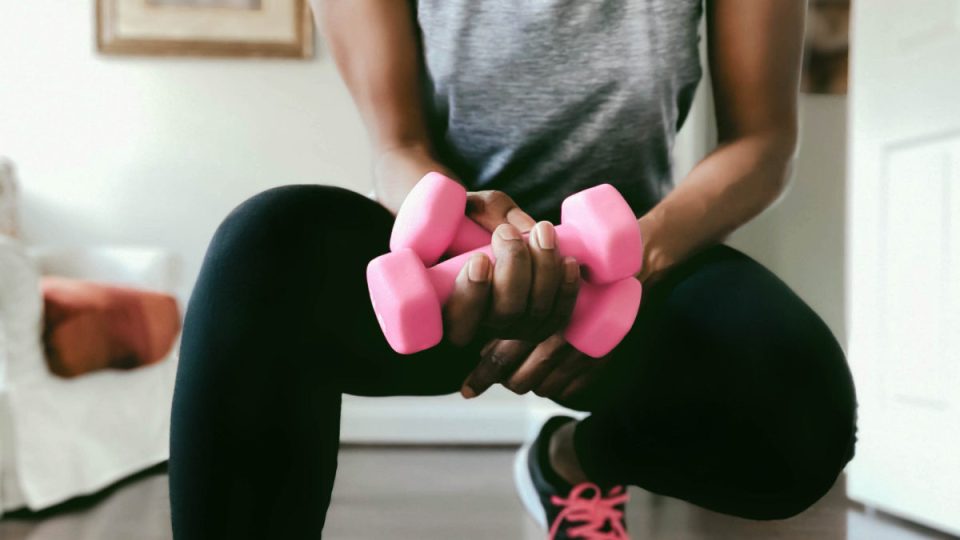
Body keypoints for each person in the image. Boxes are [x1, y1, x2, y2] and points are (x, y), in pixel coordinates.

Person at [169, 1, 857, 538]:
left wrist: (635, 261)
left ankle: (573, 463)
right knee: (264, 250)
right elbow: (397, 144)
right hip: (453, 254)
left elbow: (762, 141)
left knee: (801, 409)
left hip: (633, 264)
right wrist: (478, 246)